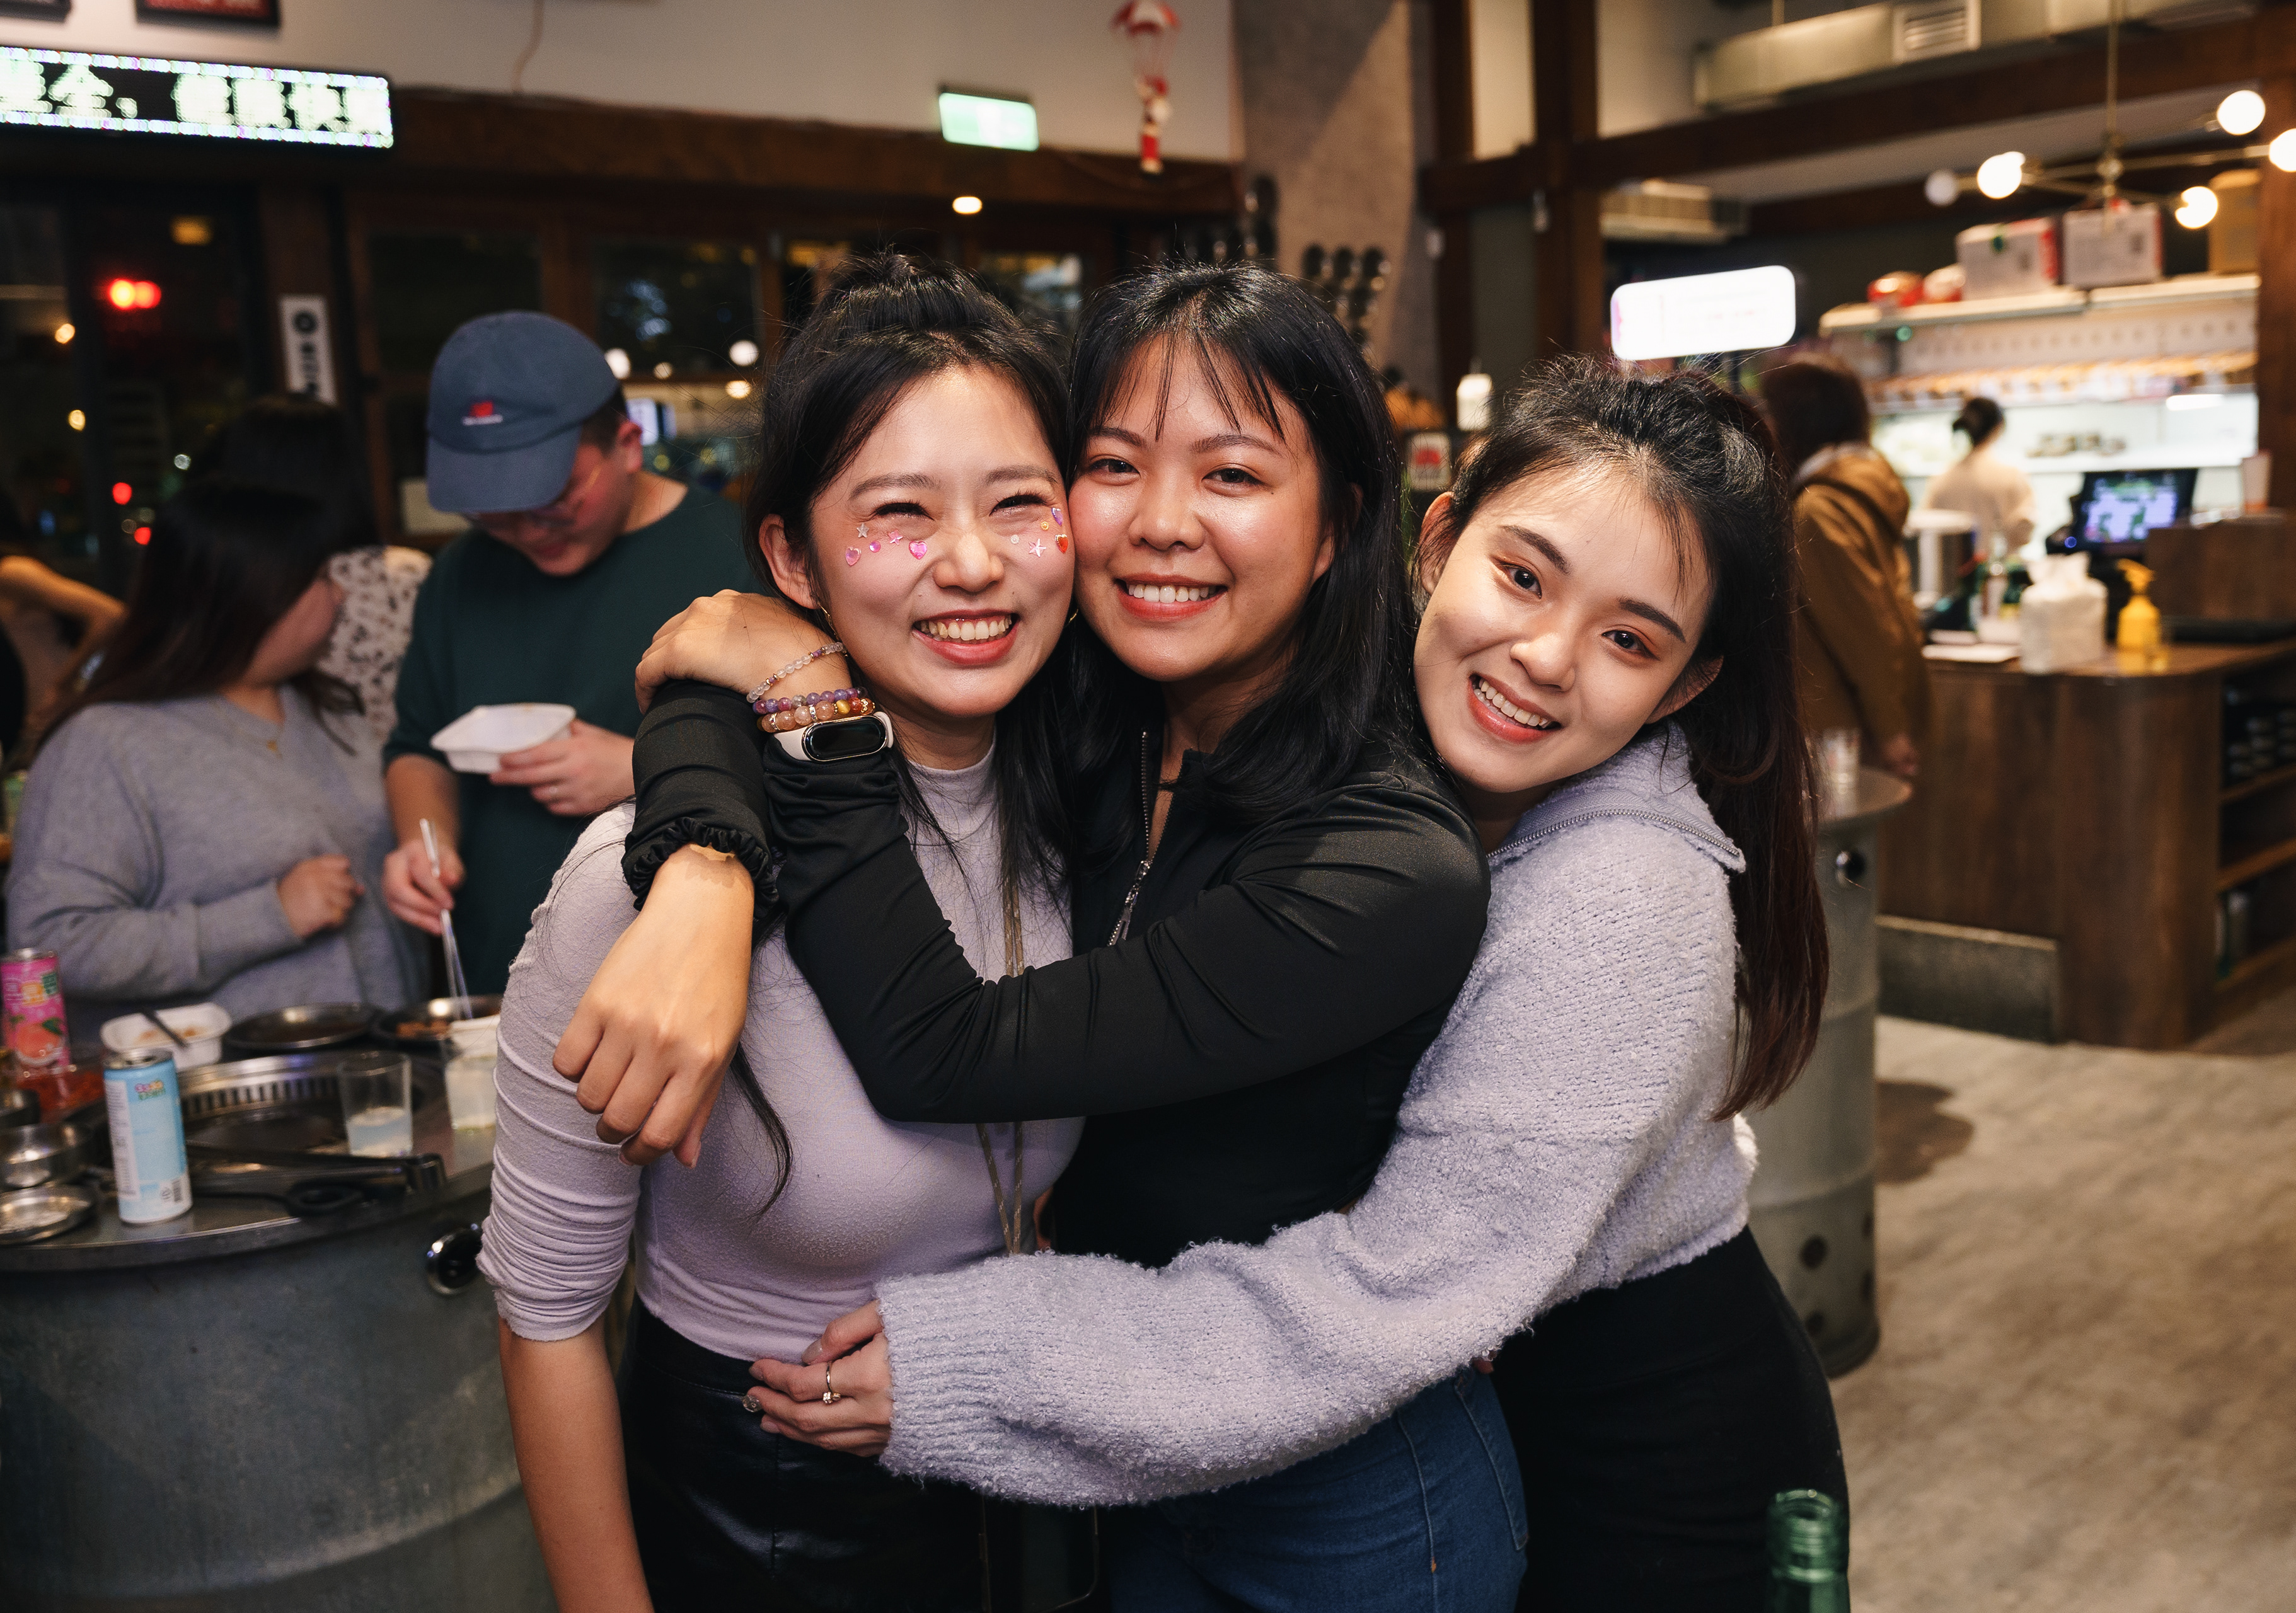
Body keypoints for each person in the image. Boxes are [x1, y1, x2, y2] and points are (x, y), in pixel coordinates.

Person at [720, 359, 1848, 1612]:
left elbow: (1383, 1294)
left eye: (1629, 639)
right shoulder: (1361, 719)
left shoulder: (1623, 900)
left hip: (1642, 1470)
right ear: (1436, 540)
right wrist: (718, 805)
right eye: (1524, 576)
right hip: (1449, 1406)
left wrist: (985, 1358)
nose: (1543, 655)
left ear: (1684, 685)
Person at [565, 261, 1521, 1609]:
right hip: (1117, 1468)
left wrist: (799, 686)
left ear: (1336, 526)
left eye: (1233, 476)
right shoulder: (1088, 720)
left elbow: (945, 1049)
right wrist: (702, 866)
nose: (1162, 524)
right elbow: (719, 694)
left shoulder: (1382, 861)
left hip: (1343, 1502)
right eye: (1112, 466)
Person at [480, 258, 1085, 1613]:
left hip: (1016, 1471)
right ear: (792, 560)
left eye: (1018, 502)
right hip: (763, 1520)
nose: (972, 561)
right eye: (898, 514)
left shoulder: (1086, 809)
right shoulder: (643, 883)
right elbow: (547, 1319)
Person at [379, 313, 756, 993]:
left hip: (682, 978)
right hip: (501, 971)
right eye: (493, 513)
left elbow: (819, 762)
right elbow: (418, 744)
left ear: (628, 444)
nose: (528, 531)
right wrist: (422, 844)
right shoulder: (460, 573)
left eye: (553, 500)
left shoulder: (738, 560)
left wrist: (645, 767)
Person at [6, 479, 414, 1041]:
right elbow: (53, 944)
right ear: (257, 593)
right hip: (220, 1084)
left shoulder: (331, 710)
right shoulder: (105, 743)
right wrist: (268, 917)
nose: (341, 595)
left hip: (376, 1060)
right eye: (321, 576)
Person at [190, 393, 430, 744]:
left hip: (272, 763)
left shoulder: (229, 578)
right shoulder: (409, 574)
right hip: (406, 767)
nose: (338, 594)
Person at [1761, 354, 1930, 781]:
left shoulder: (1819, 510)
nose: (1767, 427)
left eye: (1772, 413)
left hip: (1838, 734)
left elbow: (1863, 631)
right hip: (1856, 728)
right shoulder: (1858, 491)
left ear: (1798, 422)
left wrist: (1891, 732)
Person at [0, 487, 123, 755]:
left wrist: (61, 686)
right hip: (42, 726)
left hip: (55, 721)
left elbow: (110, 615)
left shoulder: (11, 571)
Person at [1921, 394, 2036, 561]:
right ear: (1998, 428)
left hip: (1954, 572)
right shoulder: (2011, 476)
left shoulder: (1941, 480)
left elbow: (1928, 527)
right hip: (1999, 571)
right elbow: (2023, 533)